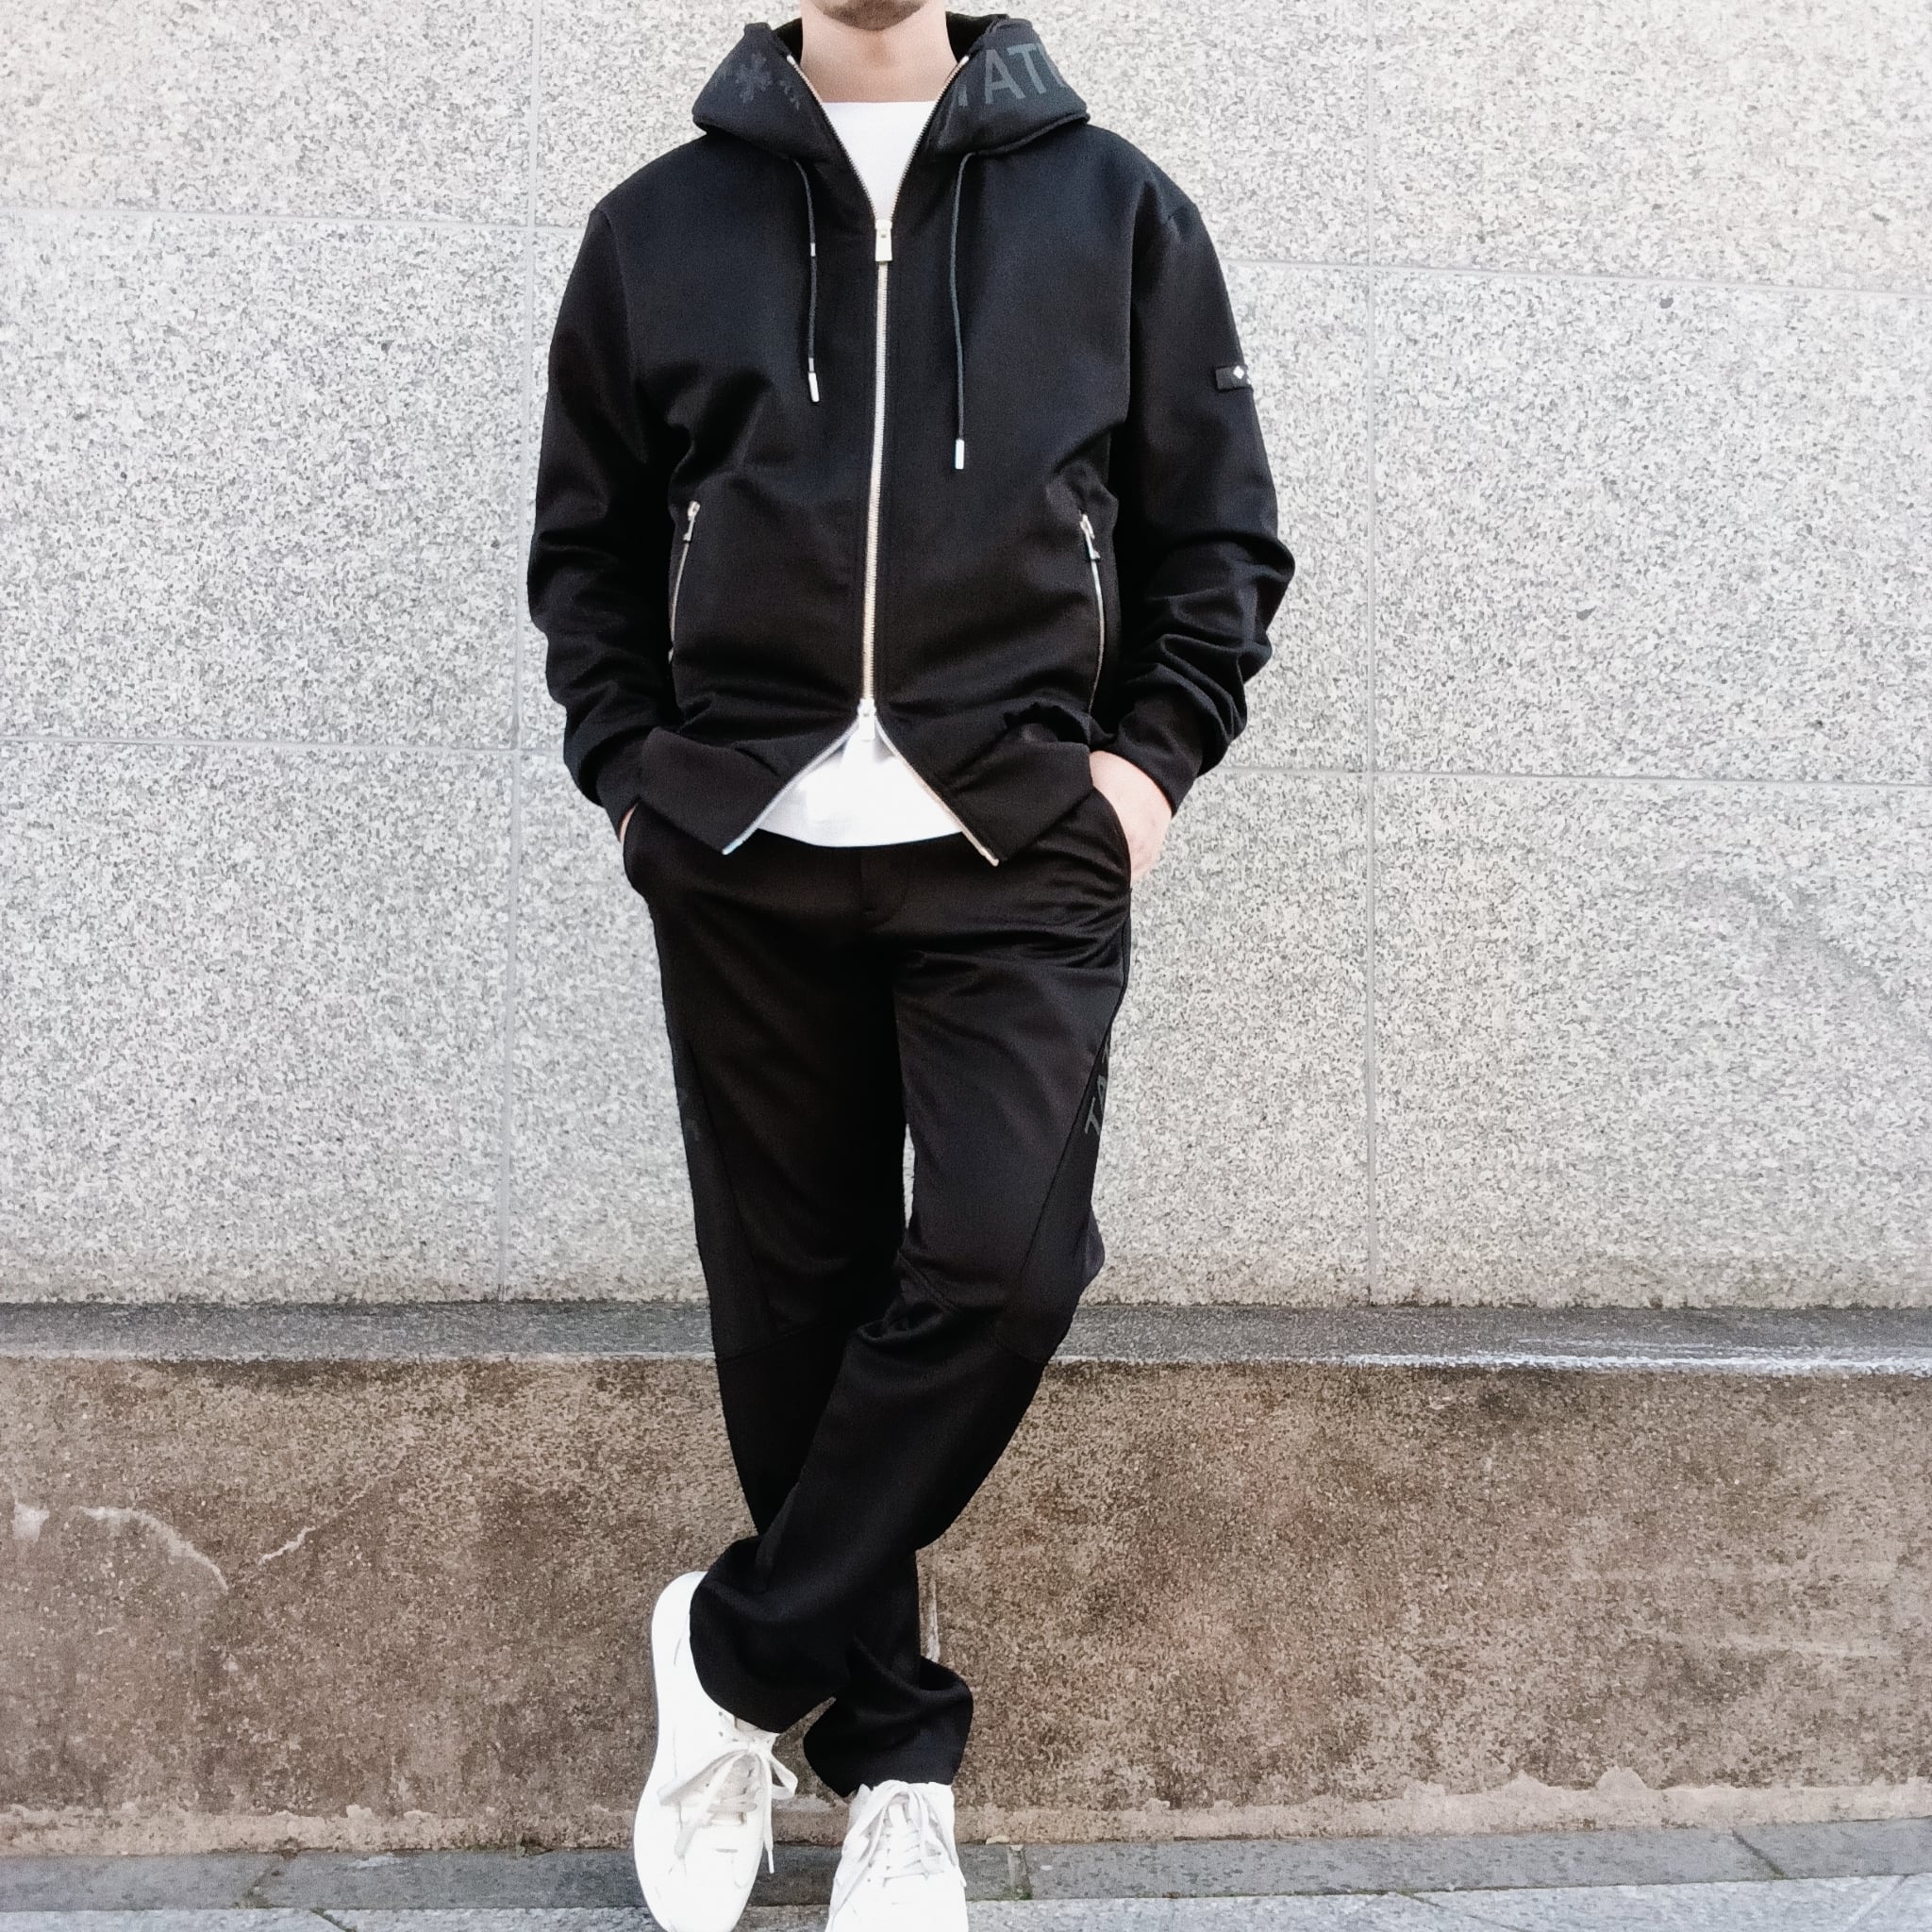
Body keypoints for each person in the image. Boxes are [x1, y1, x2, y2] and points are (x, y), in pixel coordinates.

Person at [527, 2, 1292, 1925]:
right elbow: (585, 553)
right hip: (744, 852)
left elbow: (1219, 539)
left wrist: (1142, 777)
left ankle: (731, 1655)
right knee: (789, 1320)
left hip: (1016, 845)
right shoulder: (655, 227)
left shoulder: (1115, 210)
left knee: (1005, 1263)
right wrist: (636, 784)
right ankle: (891, 1765)